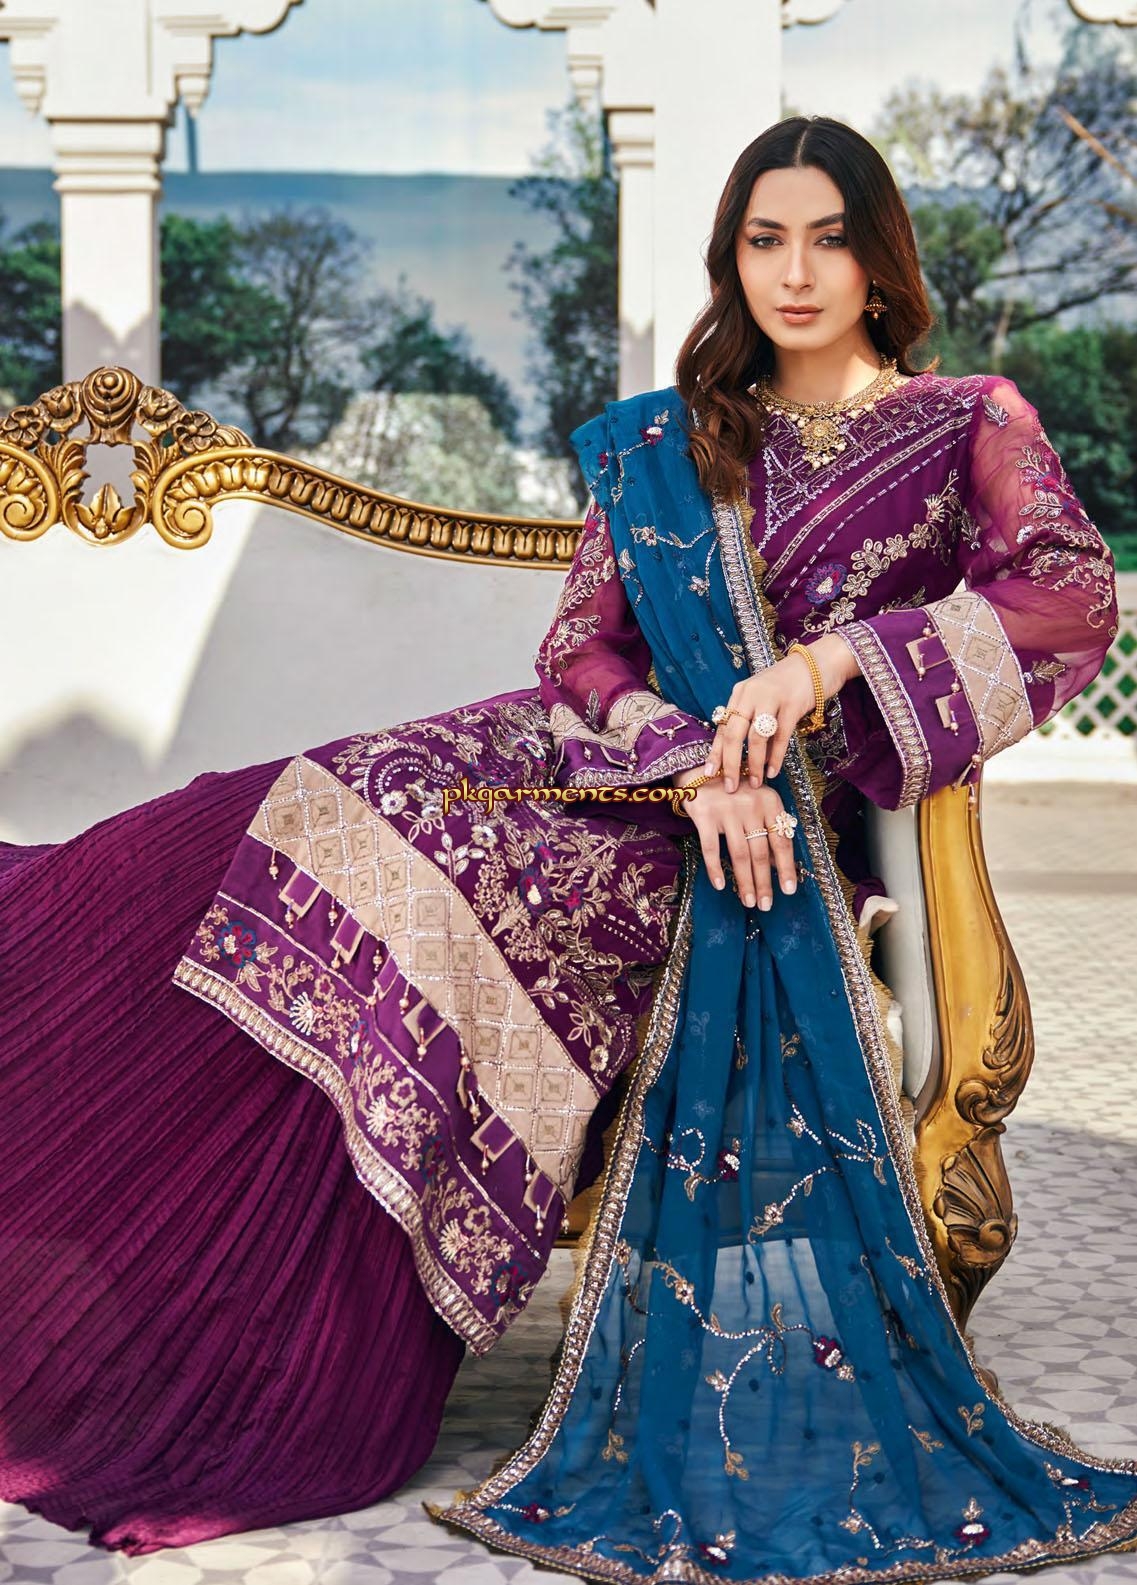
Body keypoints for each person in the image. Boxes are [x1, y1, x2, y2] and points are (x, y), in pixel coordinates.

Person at [0, 111, 1133, 1583]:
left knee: (442, 891)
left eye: (829, 239)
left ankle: (290, 1324)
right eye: (765, 240)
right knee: (324, 804)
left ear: (879, 259)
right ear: (730, 259)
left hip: (767, 834)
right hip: (603, 761)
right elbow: (579, 652)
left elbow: (1069, 595)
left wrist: (829, 664)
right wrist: (688, 758)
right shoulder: (673, 435)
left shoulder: (968, 422)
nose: (796, 273)